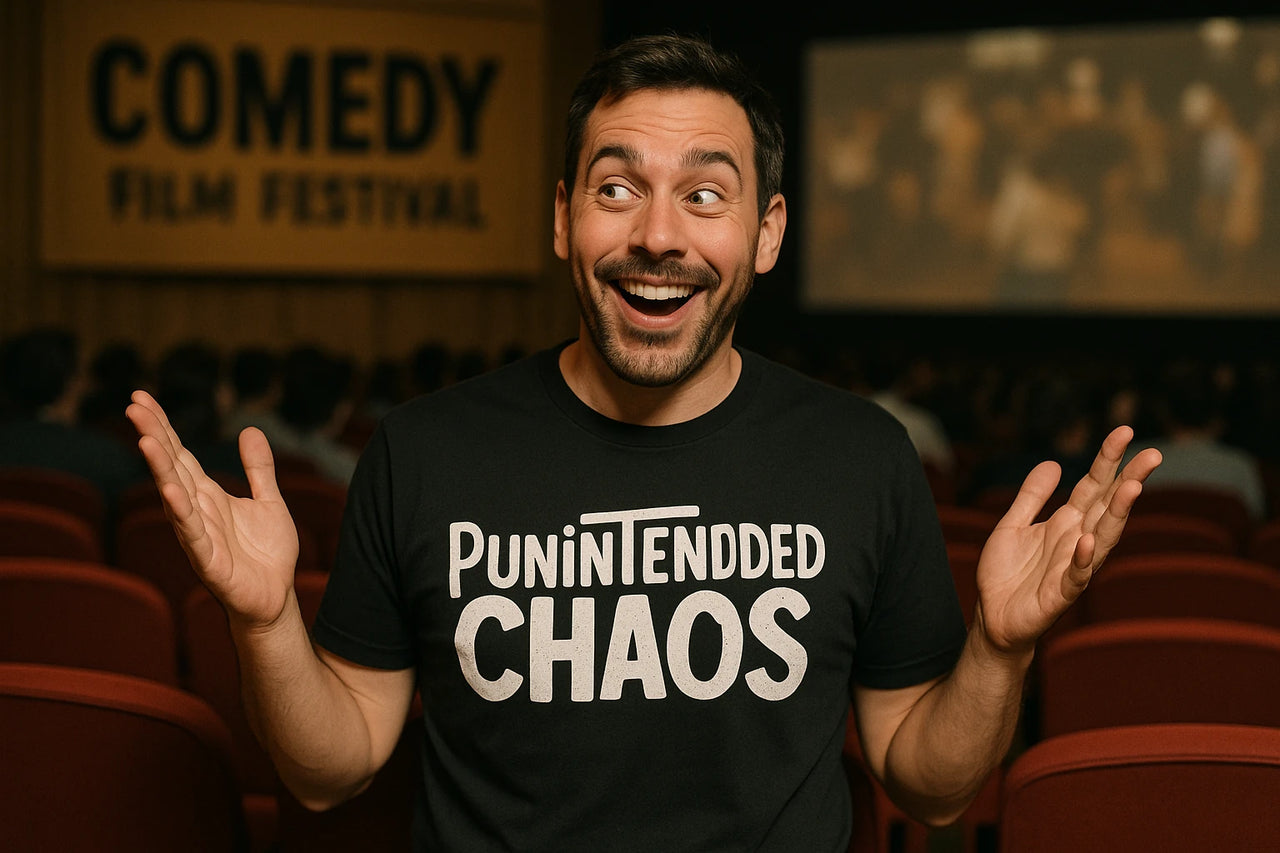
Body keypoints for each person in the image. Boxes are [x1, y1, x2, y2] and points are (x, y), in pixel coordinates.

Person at [126, 34, 1162, 852]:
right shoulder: (423, 449)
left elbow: (927, 788)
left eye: (704, 194)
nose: (657, 235)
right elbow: (329, 765)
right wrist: (263, 624)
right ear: (562, 218)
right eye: (616, 188)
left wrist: (999, 645)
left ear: (764, 234)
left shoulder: (861, 456)